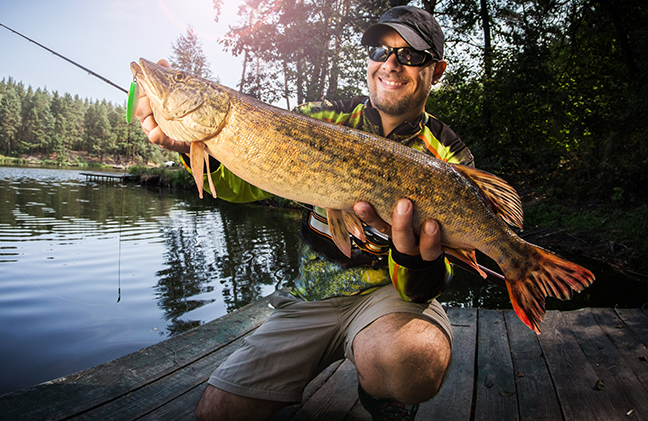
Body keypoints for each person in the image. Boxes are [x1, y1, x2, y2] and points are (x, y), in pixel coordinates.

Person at [135, 6, 474, 421]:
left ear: (436, 70)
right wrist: (187, 145)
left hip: (391, 301)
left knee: (414, 363)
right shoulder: (323, 116)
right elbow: (241, 183)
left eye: (411, 55)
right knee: (215, 413)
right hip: (310, 298)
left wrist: (409, 257)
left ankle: (379, 393)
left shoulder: (449, 155)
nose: (391, 64)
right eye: (379, 49)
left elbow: (434, 281)